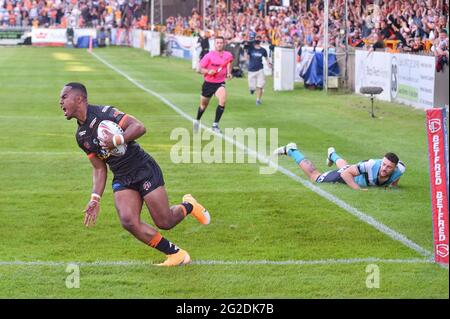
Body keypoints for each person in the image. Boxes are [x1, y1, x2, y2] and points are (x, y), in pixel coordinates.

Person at [59, 82, 211, 266]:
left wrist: (116, 139)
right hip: (122, 177)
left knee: (165, 221)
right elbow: (99, 168)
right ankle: (176, 254)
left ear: (79, 98)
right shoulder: (81, 136)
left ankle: (189, 206)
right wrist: (95, 198)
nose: (60, 102)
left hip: (142, 168)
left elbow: (139, 127)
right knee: (128, 221)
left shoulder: (105, 113)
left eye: (64, 97)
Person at [273, 142, 406, 190]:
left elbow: (397, 175)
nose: (384, 168)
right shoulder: (371, 166)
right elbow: (345, 173)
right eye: (383, 164)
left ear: (394, 168)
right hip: (348, 175)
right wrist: (357, 189)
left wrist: (394, 185)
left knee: (348, 167)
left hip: (356, 170)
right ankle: (291, 150)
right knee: (316, 177)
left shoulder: (399, 169)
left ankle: (332, 155)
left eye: (388, 167)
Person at [194, 36, 233, 133]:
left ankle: (215, 125)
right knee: (203, 106)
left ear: (224, 44)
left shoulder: (228, 55)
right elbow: (198, 70)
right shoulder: (209, 56)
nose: (219, 44)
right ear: (214, 44)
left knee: (223, 100)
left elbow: (229, 63)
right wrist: (208, 71)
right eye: (217, 43)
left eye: (221, 42)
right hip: (208, 84)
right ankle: (197, 120)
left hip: (220, 83)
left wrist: (229, 72)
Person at [245, 35, 271, 105]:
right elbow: (246, 58)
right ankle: (252, 89)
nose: (258, 40)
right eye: (257, 38)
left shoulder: (263, 50)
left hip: (260, 69)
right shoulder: (251, 49)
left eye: (259, 39)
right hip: (251, 70)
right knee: (252, 87)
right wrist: (245, 49)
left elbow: (266, 58)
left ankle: (258, 100)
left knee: (260, 85)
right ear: (255, 40)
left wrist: (269, 63)